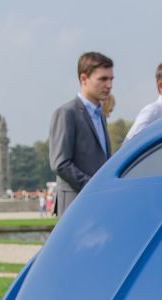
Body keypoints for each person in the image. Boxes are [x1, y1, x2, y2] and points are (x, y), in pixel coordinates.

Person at [49, 51, 114, 217]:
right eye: (103, 79)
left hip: (96, 202)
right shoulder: (67, 113)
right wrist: (93, 186)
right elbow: (60, 163)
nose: (109, 85)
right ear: (84, 78)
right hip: (75, 204)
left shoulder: (100, 116)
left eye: (111, 79)